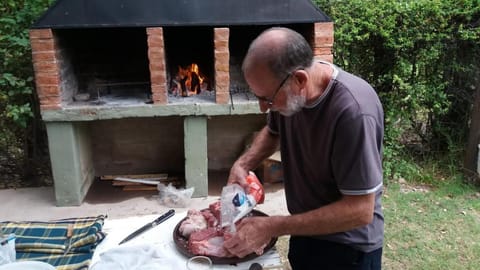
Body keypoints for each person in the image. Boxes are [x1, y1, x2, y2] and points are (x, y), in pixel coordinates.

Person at [223, 27, 384, 270]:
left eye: (266, 98)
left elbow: (360, 210)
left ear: (299, 79)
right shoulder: (290, 94)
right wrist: (243, 164)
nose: (262, 108)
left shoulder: (353, 112)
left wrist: (274, 225)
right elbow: (272, 131)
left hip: (349, 250)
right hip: (305, 232)